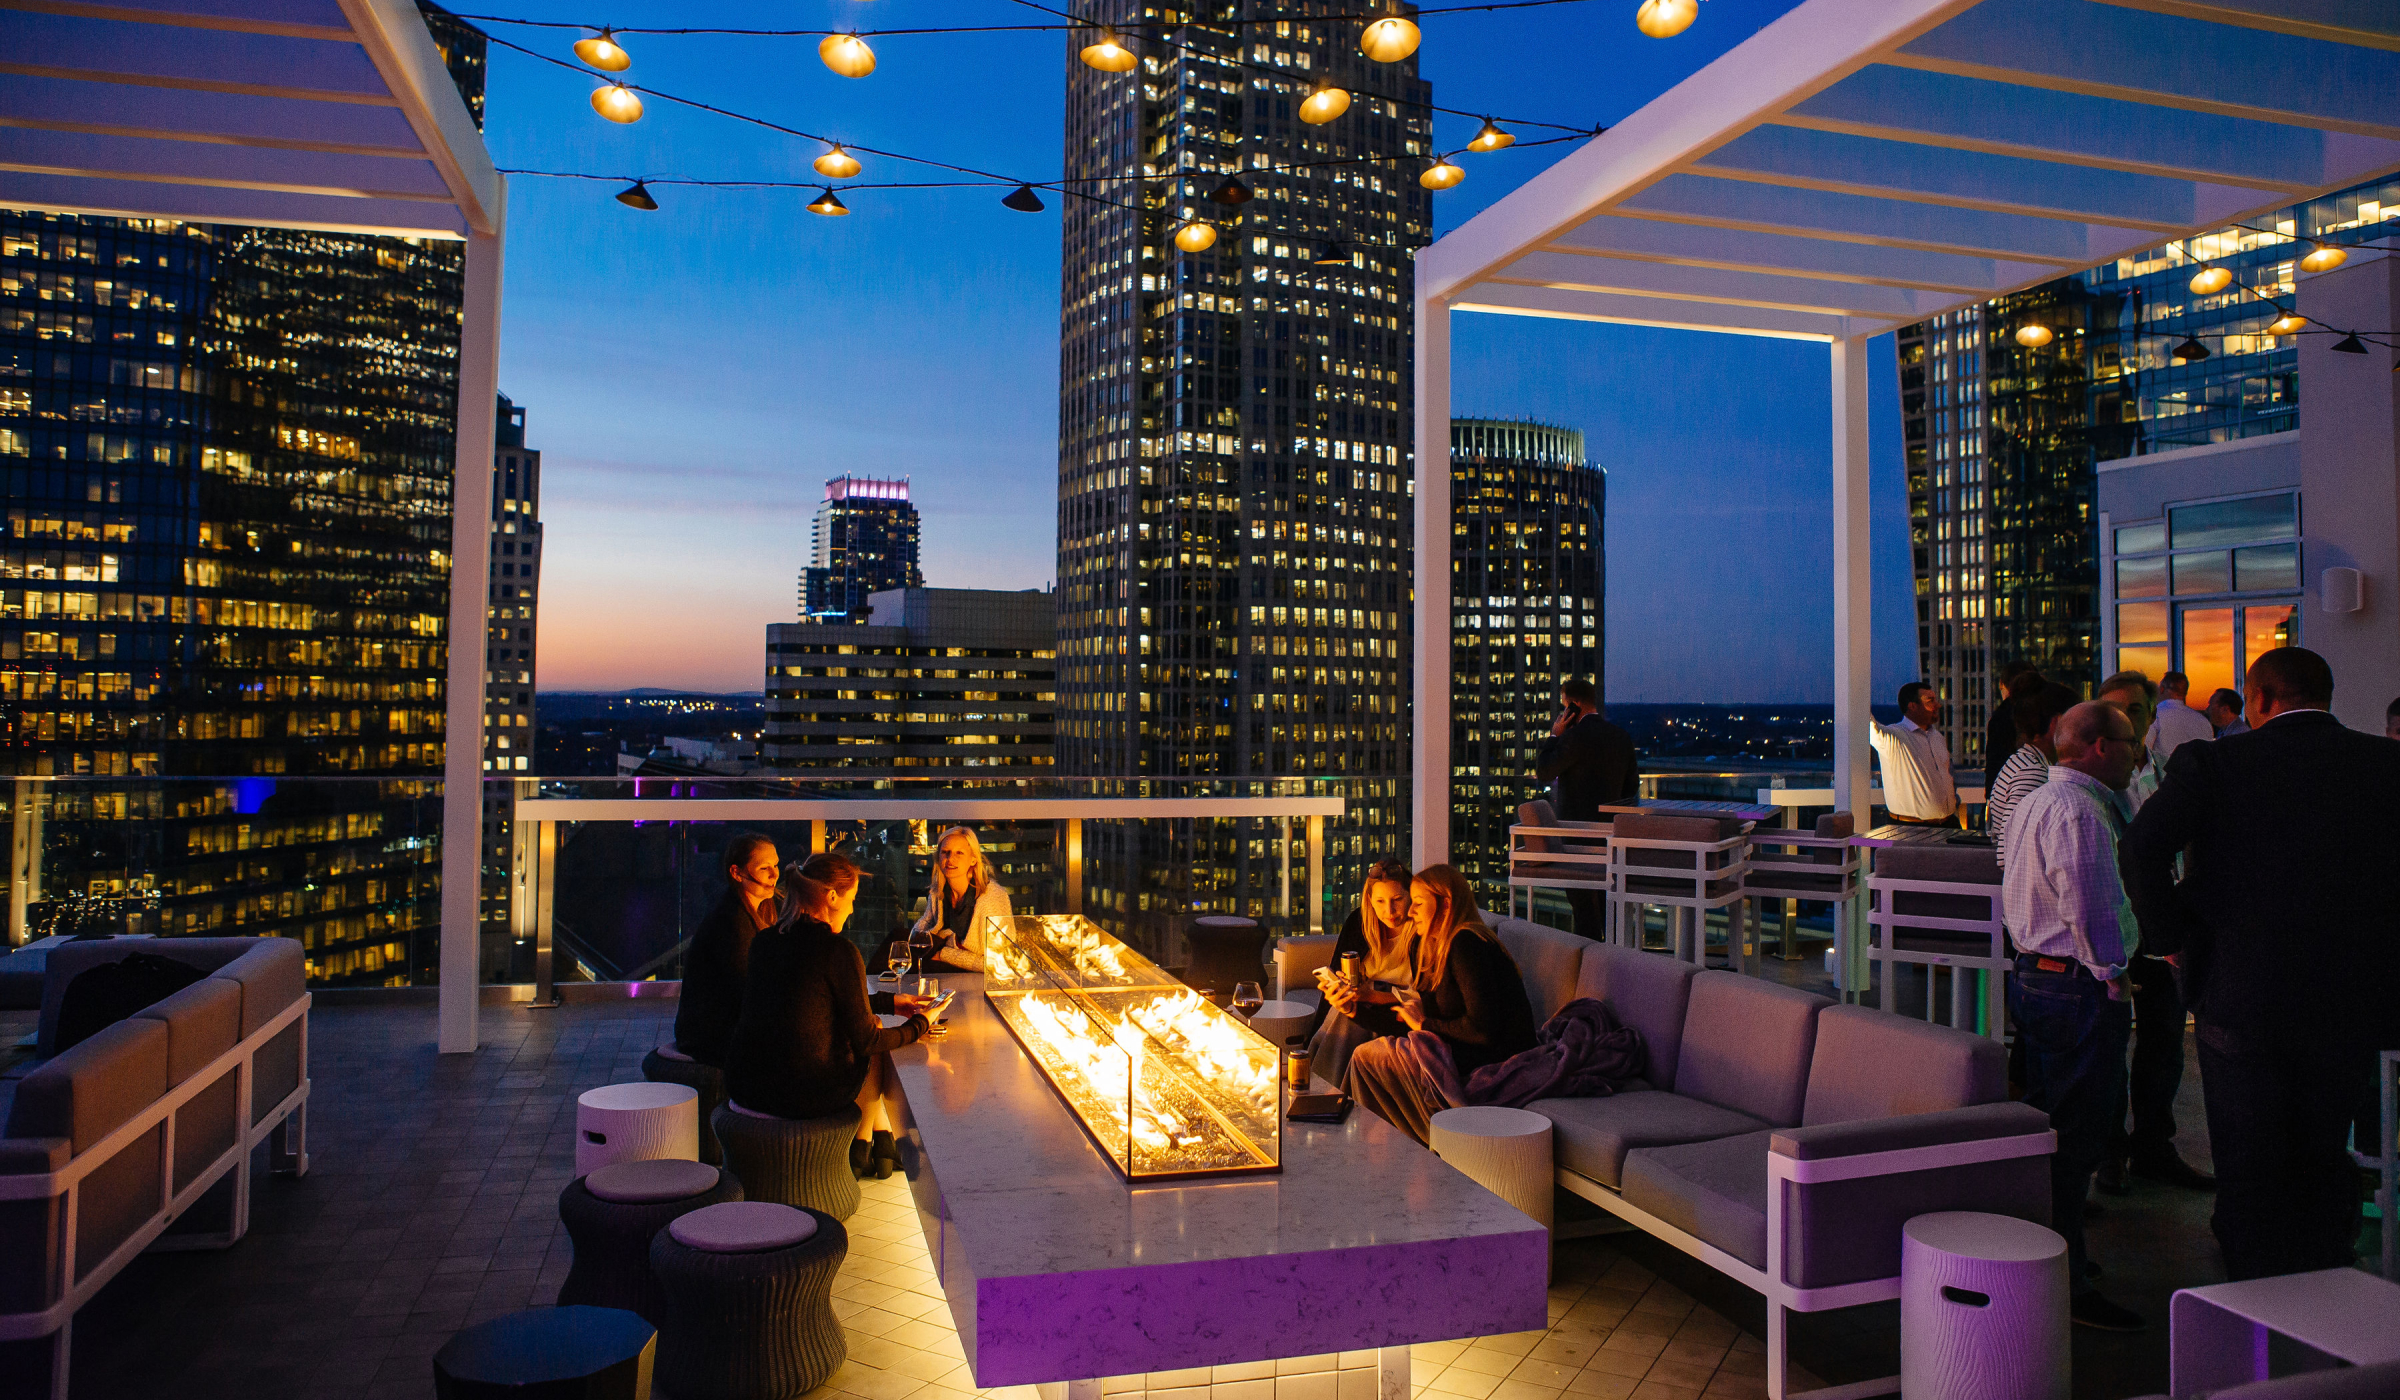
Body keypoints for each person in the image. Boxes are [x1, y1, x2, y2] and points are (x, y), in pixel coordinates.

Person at [2122, 648, 2400, 1281]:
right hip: (2356, 991)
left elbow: (2141, 846)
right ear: (2326, 695)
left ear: (2258, 700)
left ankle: (2256, 1291)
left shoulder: (2216, 764)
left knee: (2250, 1147)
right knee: (2327, 1140)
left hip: (2240, 986)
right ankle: (2328, 1266)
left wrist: (2171, 937)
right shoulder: (2386, 764)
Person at [2001, 701, 2146, 1332]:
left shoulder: (2036, 799)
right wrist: (2115, 976)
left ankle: (2052, 1254)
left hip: (2037, 976)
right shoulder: (2080, 811)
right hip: (2073, 983)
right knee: (2074, 1134)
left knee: (2047, 1124)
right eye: (2128, 741)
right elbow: (2088, 904)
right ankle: (2063, 1276)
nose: (2137, 752)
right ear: (2097, 747)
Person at [726, 851, 934, 1179]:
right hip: (801, 1095)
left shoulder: (765, 941)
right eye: (851, 900)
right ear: (832, 897)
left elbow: (814, 998)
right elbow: (867, 1040)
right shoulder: (839, 951)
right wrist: (922, 1023)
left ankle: (875, 1143)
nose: (852, 910)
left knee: (867, 1023)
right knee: (872, 1035)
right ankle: (869, 1141)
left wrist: (892, 1002)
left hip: (745, 1084)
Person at [1343, 866, 1537, 1146]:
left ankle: (1428, 1146)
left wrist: (1424, 1025)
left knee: (1370, 1058)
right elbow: (1417, 1020)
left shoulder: (1467, 943)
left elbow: (1483, 1030)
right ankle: (1387, 1145)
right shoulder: (1437, 946)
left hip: (1492, 1056)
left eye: (1418, 903)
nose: (1410, 912)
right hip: (1461, 1047)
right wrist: (1354, 1009)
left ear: (1445, 904)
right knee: (1369, 1056)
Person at [1533, 678, 1638, 940]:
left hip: (1576, 838)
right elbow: (1631, 788)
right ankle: (1614, 957)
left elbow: (1544, 770)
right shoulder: (1621, 737)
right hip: (1611, 839)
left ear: (1574, 706)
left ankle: (1589, 960)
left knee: (1582, 908)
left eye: (1564, 706)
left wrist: (1554, 735)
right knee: (1608, 903)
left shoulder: (1572, 738)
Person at [671, 832, 785, 1068]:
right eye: (765, 868)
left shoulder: (759, 911)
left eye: (775, 865)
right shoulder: (731, 924)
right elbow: (748, 989)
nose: (775, 874)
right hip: (710, 1036)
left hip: (728, 1024)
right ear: (737, 872)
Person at [1303, 859, 1415, 1086]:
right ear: (1369, 901)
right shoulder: (1359, 922)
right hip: (1362, 1003)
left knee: (1349, 1018)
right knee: (1342, 1010)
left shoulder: (1421, 927)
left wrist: (1370, 996)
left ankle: (1324, 1089)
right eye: (1380, 901)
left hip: (1403, 1012)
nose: (1389, 911)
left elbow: (1427, 998)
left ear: (1411, 896)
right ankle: (1323, 1085)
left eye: (1397, 900)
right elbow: (1337, 971)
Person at [1988, 682, 2077, 866]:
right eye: (2078, 721)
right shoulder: (2032, 772)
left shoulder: (2027, 761)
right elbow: (2011, 854)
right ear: (2057, 723)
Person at [906, 826, 1011, 972]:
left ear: (973, 860)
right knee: (896, 942)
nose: (950, 859)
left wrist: (945, 954)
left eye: (959, 853)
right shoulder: (938, 892)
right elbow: (922, 931)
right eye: (945, 852)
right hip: (945, 970)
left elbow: (1001, 962)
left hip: (978, 977)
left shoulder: (992, 899)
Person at [1869, 681, 1958, 825]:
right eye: (1930, 701)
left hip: (1948, 823)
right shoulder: (1895, 737)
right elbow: (1869, 727)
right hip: (1912, 827)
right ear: (1912, 706)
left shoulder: (1937, 738)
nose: (1938, 705)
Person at [1985, 666, 2044, 796]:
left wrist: (1990, 795)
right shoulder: (2040, 711)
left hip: (2003, 790)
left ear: (2003, 684)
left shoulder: (2002, 715)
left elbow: (1994, 761)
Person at [2146, 671, 2214, 765]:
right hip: (2196, 776)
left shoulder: (2155, 715)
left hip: (2164, 775)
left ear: (2162, 689)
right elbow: (2209, 755)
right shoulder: (2202, 721)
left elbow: (2145, 750)